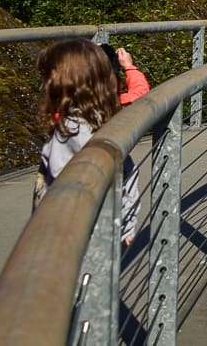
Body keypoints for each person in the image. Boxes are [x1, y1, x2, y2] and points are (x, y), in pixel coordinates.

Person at [34, 39, 140, 246]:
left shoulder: (71, 133)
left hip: (69, 242)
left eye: (47, 77)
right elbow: (129, 174)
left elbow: (60, 191)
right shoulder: (104, 120)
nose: (43, 85)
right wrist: (127, 226)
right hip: (105, 232)